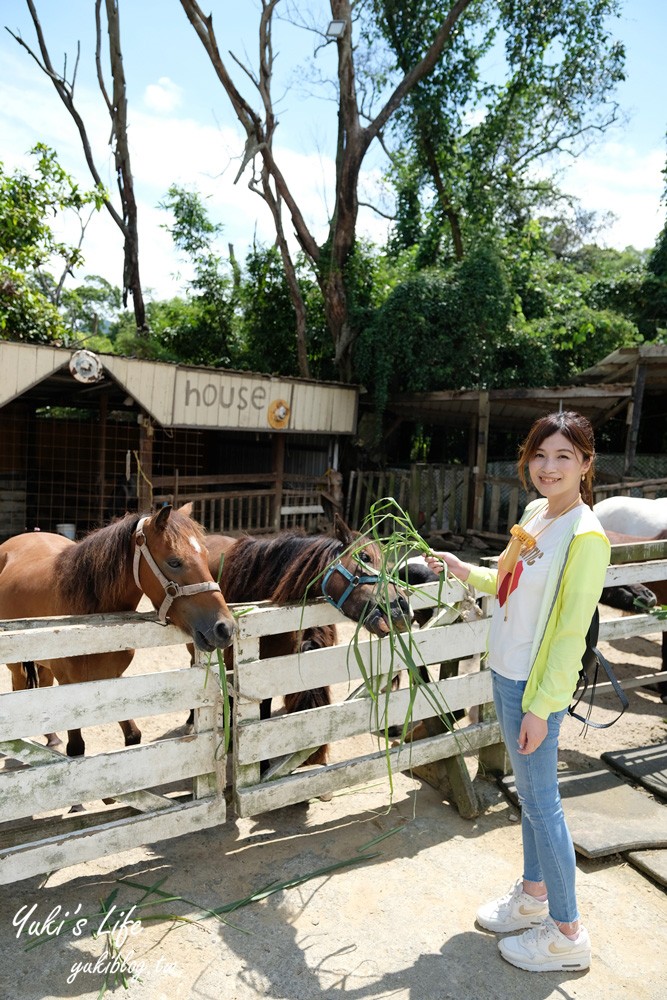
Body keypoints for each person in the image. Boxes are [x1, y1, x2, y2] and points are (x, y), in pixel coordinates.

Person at [426, 411, 610, 973]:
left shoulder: (586, 535)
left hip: (534, 690)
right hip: (505, 672)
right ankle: (534, 897)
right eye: (539, 455)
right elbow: (508, 580)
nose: (548, 467)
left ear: (585, 463)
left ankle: (567, 934)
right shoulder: (536, 512)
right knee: (530, 797)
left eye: (563, 456)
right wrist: (464, 570)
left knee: (542, 802)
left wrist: (542, 706)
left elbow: (571, 634)